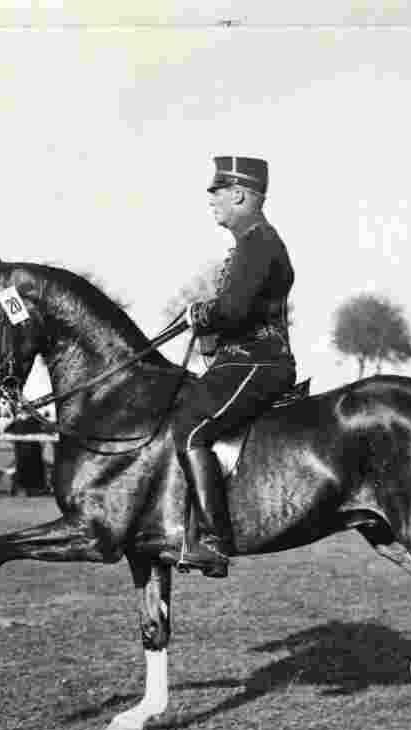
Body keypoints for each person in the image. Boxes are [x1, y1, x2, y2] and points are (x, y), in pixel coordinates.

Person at [162, 156, 297, 578]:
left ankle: (213, 539)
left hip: (259, 362)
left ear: (239, 195)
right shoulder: (250, 244)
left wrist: (200, 313)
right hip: (241, 361)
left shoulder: (258, 244)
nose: (213, 202)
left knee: (190, 426)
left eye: (217, 193)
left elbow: (234, 311)